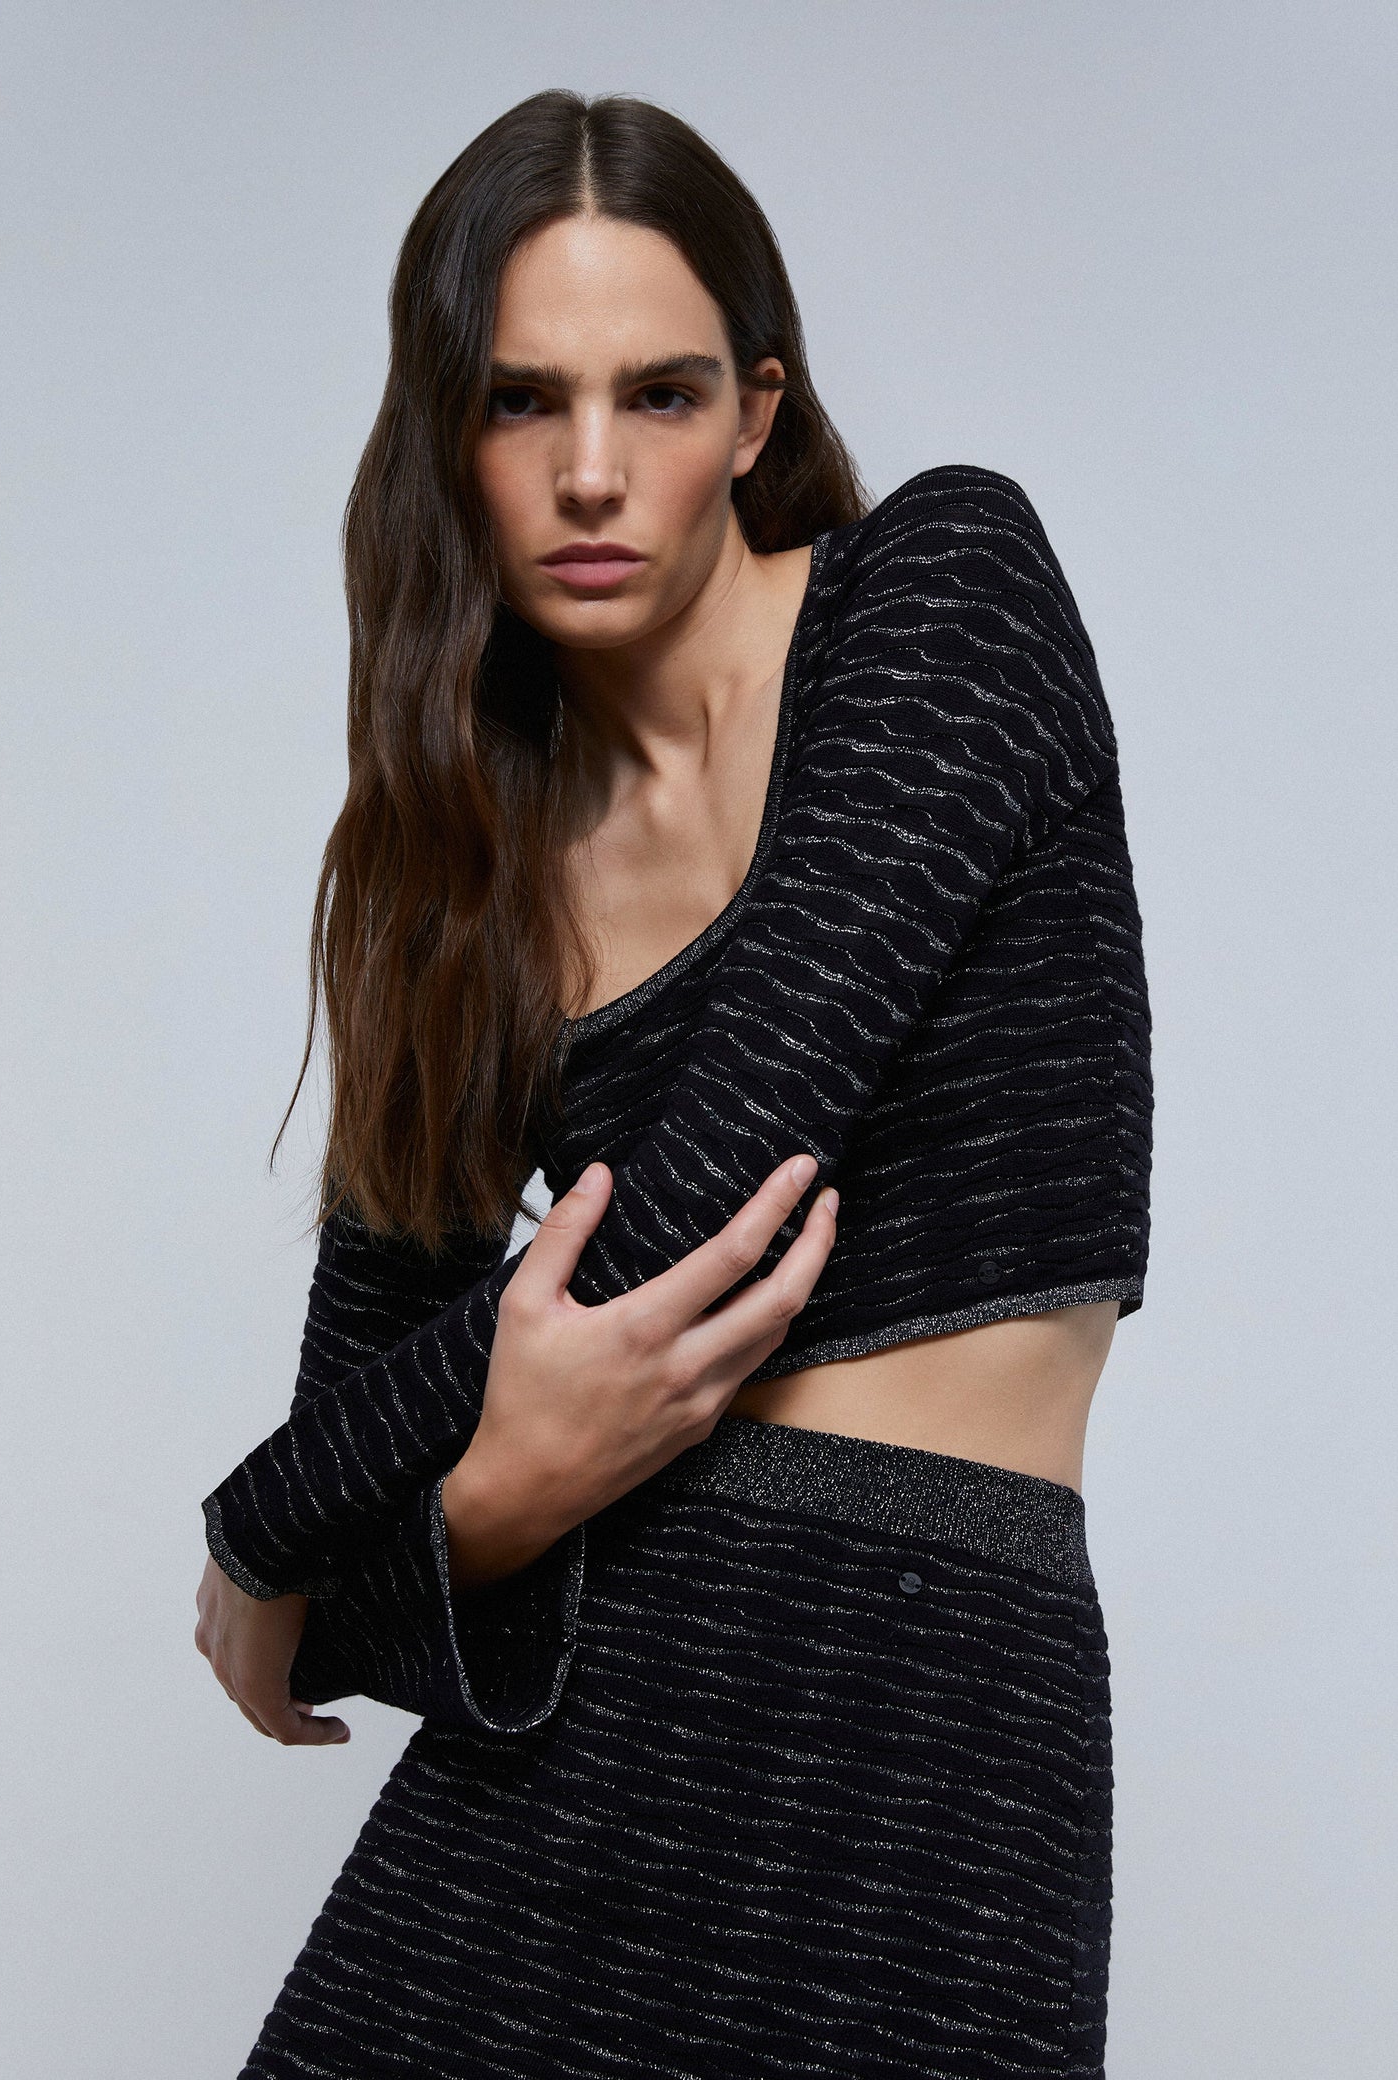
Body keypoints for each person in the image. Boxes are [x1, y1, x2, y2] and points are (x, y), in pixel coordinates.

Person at [196, 87, 1152, 2080]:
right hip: (573, 1727)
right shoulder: (458, 881)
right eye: (521, 401)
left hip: (929, 1722)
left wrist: (257, 1525)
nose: (591, 471)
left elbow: (718, 1184)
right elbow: (356, 1568)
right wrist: (495, 1489)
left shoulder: (942, 596)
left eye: (659, 393)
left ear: (756, 413)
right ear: (444, 439)